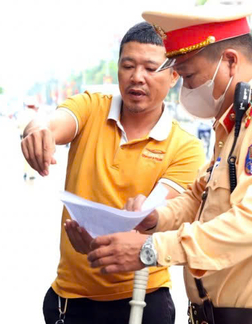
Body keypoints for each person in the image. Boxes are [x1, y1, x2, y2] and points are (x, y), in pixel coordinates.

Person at [87, 7, 252, 324]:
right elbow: (199, 198)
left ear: (230, 61)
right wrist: (156, 217)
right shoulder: (237, 122)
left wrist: (153, 248)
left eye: (189, 76)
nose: (185, 88)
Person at [21, 22, 205, 324]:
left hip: (143, 300)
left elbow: (150, 217)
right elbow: (52, 124)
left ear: (174, 75)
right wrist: (36, 131)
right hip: (69, 300)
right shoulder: (92, 106)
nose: (137, 77)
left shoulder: (185, 147)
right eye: (128, 66)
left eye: (150, 68)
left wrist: (97, 241)